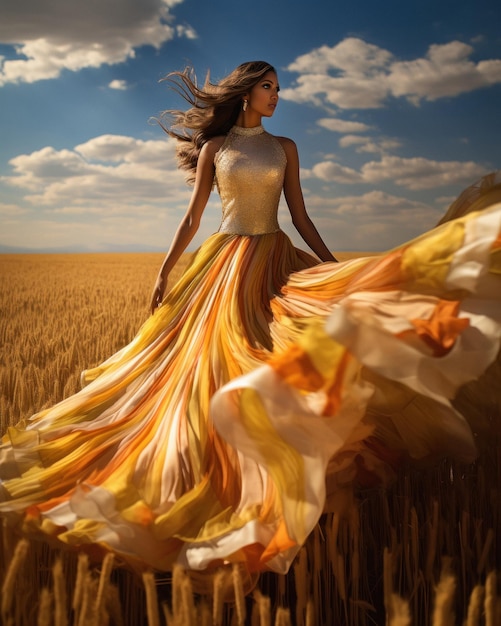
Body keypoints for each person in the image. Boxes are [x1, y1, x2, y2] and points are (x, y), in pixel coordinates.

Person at [0, 61, 500, 582]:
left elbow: (300, 216)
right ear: (245, 93)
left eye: (279, 89)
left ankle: (287, 481)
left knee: (283, 357)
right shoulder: (217, 149)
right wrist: (163, 272)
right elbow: (194, 217)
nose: (276, 96)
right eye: (267, 87)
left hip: (276, 263)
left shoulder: (286, 148)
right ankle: (213, 482)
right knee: (207, 373)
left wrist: (336, 270)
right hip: (222, 270)